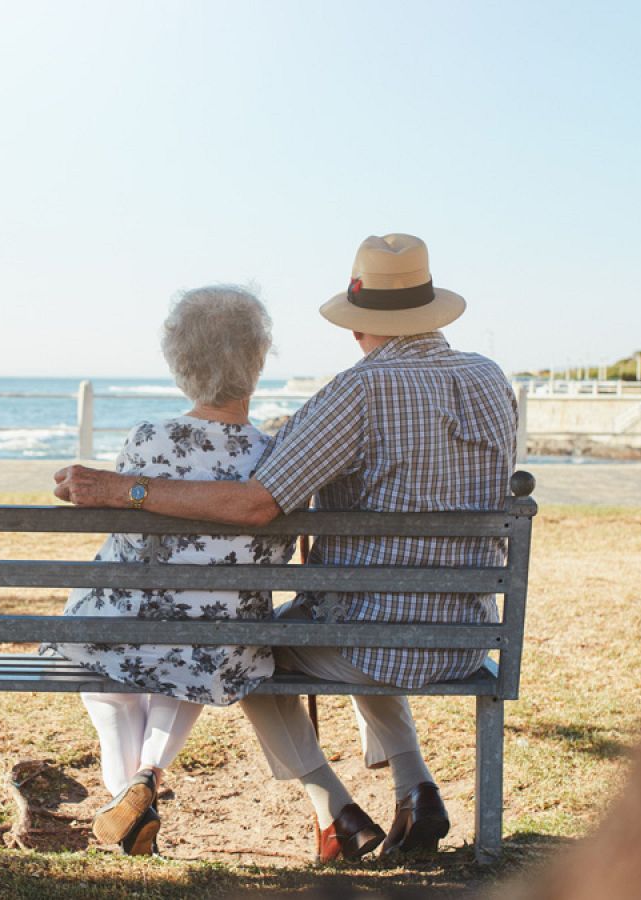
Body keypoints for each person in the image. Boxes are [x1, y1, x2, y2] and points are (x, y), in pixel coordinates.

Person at [53, 234, 516, 864]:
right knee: (361, 617)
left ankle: (336, 808)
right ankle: (416, 788)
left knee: (254, 652)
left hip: (374, 636)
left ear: (359, 328)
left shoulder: (358, 391)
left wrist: (120, 487)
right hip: (465, 634)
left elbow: (255, 503)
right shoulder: (491, 379)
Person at [43, 285, 294, 856]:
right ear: (255, 365)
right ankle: (148, 775)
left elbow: (130, 538)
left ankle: (127, 799)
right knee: (189, 658)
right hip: (222, 639)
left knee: (111, 685)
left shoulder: (150, 438)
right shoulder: (274, 454)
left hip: (126, 625)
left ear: (182, 365)